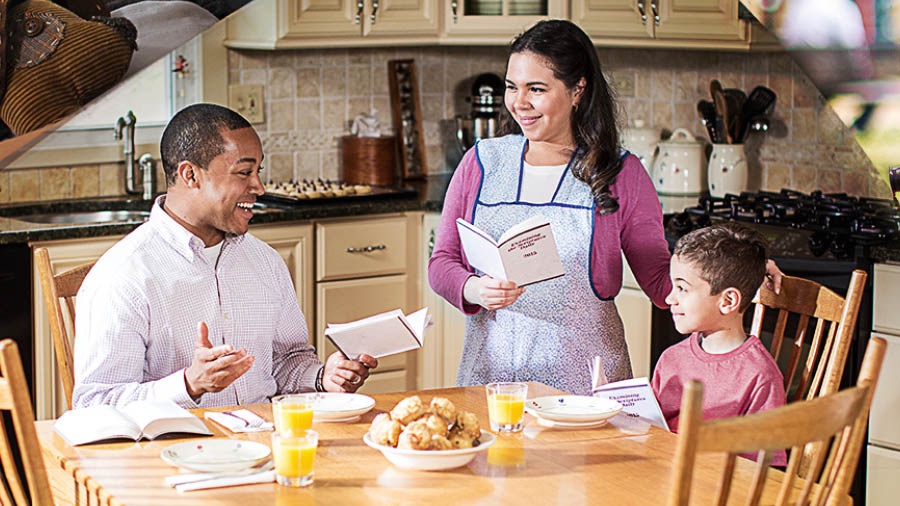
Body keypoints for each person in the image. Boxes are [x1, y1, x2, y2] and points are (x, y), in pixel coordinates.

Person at [429, 19, 783, 395]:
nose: (519, 102)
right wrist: (472, 289)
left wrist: (737, 271)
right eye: (512, 87)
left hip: (583, 385)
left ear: (578, 89)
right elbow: (442, 262)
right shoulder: (482, 163)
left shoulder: (620, 172)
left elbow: (661, 281)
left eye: (536, 89)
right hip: (492, 375)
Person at [73, 103, 377, 409]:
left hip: (264, 442)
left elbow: (287, 362)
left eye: (258, 171)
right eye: (244, 172)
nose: (258, 187)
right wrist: (189, 384)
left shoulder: (265, 261)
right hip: (174, 451)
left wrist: (324, 377)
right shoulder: (123, 275)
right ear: (190, 175)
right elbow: (95, 404)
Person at [651, 223, 787, 464]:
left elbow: (765, 471)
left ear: (728, 301)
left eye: (682, 288)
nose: (669, 298)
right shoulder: (671, 359)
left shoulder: (760, 376)